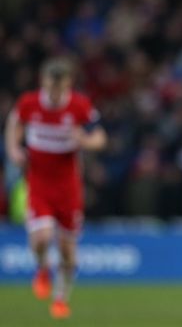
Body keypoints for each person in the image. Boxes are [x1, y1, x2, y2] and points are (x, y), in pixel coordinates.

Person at [4, 57, 107, 319]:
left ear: (68, 84)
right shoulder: (29, 103)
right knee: (41, 238)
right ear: (43, 82)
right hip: (39, 183)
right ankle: (41, 268)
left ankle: (60, 299)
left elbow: (100, 138)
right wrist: (14, 150)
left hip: (68, 187)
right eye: (50, 86)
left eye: (59, 87)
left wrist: (84, 140)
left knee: (68, 253)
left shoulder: (79, 106)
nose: (54, 92)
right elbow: (14, 123)